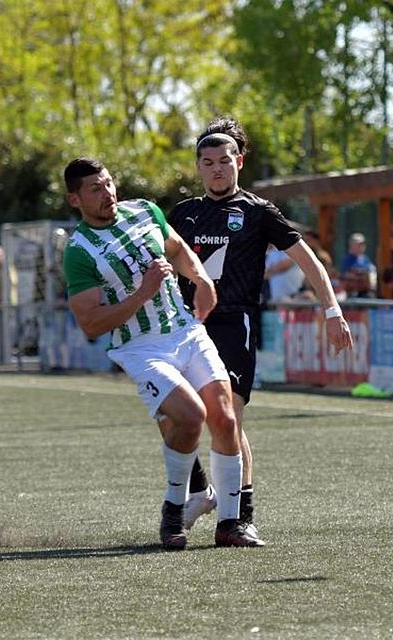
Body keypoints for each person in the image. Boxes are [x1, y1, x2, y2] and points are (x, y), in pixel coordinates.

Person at [167, 117, 353, 539]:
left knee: (226, 417)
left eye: (225, 160)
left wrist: (332, 311)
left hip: (234, 323)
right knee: (175, 416)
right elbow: (157, 264)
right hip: (184, 326)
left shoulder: (257, 212)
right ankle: (200, 491)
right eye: (208, 162)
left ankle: (237, 518)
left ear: (239, 162)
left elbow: (309, 260)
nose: (217, 168)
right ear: (198, 167)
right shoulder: (183, 214)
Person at [61, 157, 259, 549]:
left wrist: (200, 278)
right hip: (140, 347)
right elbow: (91, 324)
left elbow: (178, 248)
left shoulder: (144, 210)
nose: (108, 193)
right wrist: (142, 293)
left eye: (109, 183)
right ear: (75, 200)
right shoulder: (79, 251)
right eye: (95, 189)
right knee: (190, 418)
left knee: (224, 415)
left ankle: (231, 524)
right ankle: (174, 509)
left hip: (184, 330)